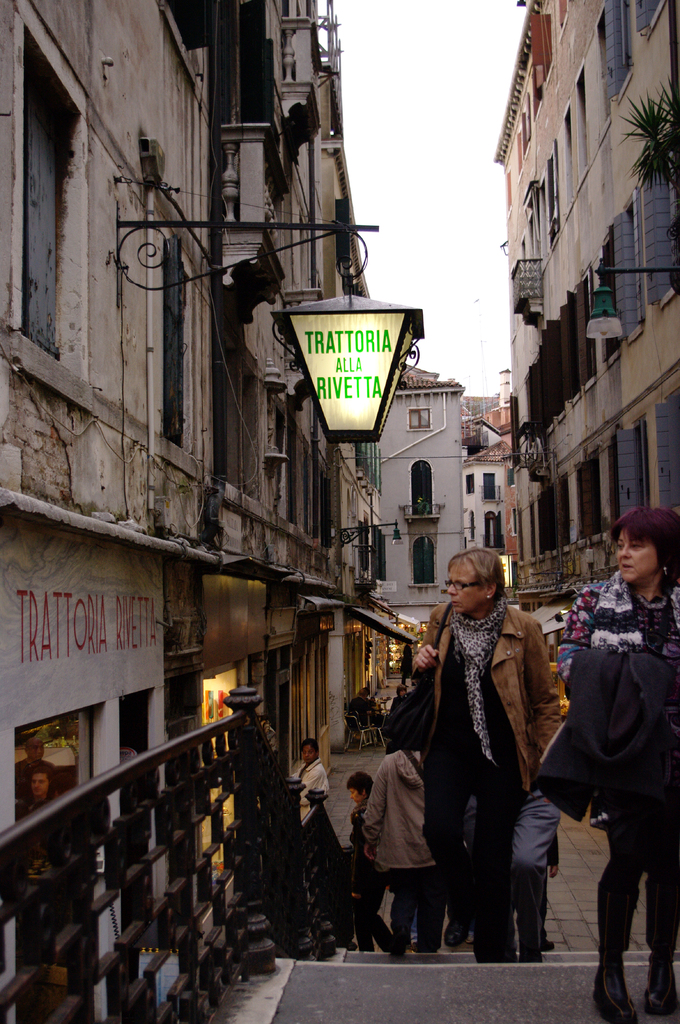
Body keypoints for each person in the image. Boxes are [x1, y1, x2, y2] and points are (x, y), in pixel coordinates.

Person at [549, 506, 680, 1022]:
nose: (623, 553)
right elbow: (568, 660)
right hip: (623, 752)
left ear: (664, 554)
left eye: (636, 545)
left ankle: (662, 967)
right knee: (625, 857)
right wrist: (632, 677)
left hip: (675, 754)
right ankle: (609, 972)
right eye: (621, 543)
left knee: (668, 860)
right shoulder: (593, 600)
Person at [414, 546, 560, 963]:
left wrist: (545, 760)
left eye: (461, 585)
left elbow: (545, 702)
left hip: (503, 756)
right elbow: (424, 676)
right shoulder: (441, 619)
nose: (451, 591)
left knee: (493, 861)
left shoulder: (524, 628)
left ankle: (492, 962)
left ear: (490, 589)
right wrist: (421, 660)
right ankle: (465, 905)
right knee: (439, 830)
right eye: (450, 583)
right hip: (448, 748)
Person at [362, 749, 447, 955]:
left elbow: (375, 806)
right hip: (433, 847)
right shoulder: (440, 759)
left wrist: (370, 838)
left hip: (401, 849)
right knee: (433, 896)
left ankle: (401, 926)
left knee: (404, 891)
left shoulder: (389, 764)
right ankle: (429, 946)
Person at [347, 771, 393, 953]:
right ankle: (387, 946)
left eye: (353, 792)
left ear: (363, 792)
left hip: (368, 876)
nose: (351, 797)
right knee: (367, 916)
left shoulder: (361, 815)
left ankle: (389, 945)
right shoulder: (380, 808)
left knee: (363, 918)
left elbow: (360, 853)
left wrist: (356, 886)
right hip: (381, 871)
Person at [296, 738, 329, 818]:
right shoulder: (304, 766)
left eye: (310, 752)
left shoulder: (317, 771)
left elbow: (302, 798)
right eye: (304, 752)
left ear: (317, 753)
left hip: (309, 815)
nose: (306, 755)